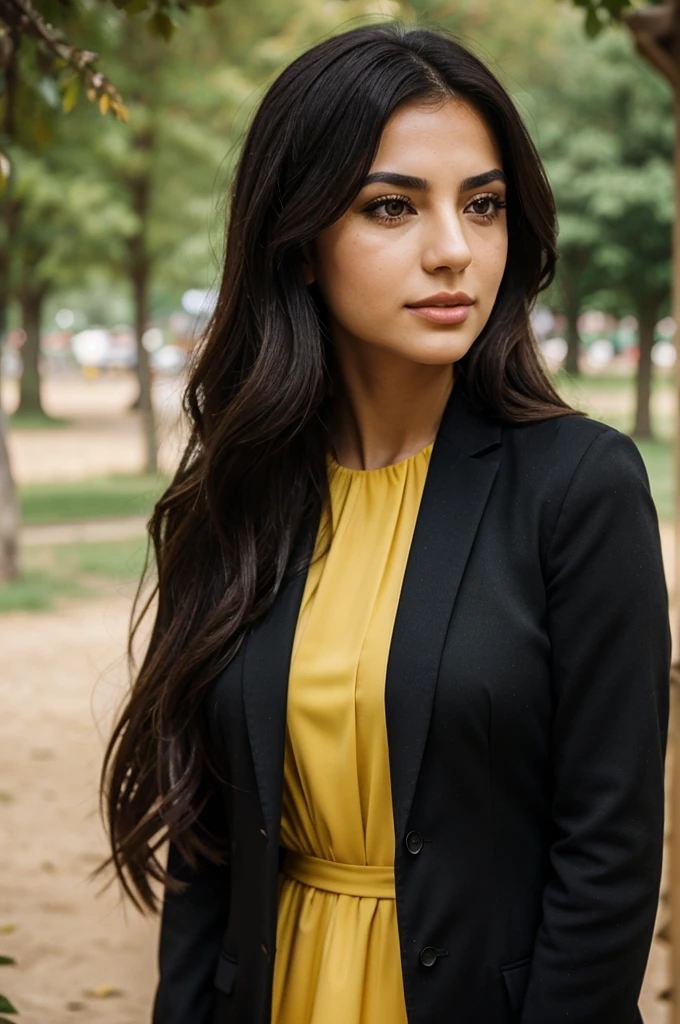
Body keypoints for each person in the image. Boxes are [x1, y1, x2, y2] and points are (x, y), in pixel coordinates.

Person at [97, 23, 671, 1024]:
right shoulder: (232, 495)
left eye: (482, 205)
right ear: (300, 240)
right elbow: (206, 847)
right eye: (392, 206)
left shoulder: (578, 488)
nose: (453, 249)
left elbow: (608, 855)